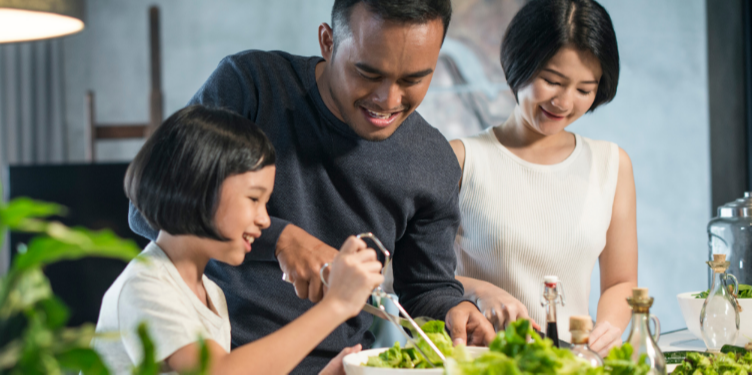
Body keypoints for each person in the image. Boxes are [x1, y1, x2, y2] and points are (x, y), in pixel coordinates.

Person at [129, 1, 495, 372]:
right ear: (327, 42)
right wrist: (281, 240)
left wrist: (454, 310)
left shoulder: (433, 162)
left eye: (412, 80)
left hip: (340, 365)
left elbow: (425, 290)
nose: (388, 100)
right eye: (368, 73)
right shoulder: (252, 86)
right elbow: (149, 209)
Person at [95, 105, 385, 375]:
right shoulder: (144, 287)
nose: (265, 220)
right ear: (196, 187)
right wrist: (336, 305)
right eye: (254, 199)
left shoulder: (211, 294)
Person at [450, 0, 635, 356]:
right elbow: (404, 276)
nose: (564, 102)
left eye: (584, 89)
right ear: (519, 61)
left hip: (573, 361)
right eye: (552, 81)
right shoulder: (462, 160)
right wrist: (479, 291)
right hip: (484, 361)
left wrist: (606, 331)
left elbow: (621, 281)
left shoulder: (611, 164)